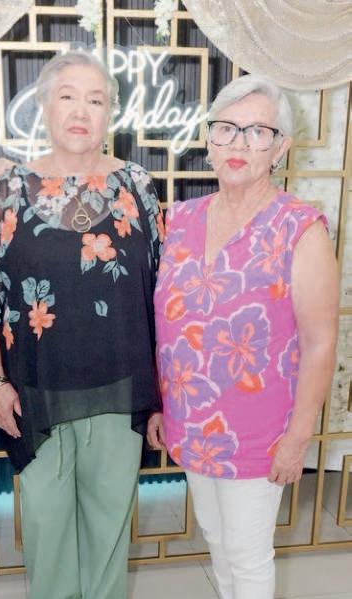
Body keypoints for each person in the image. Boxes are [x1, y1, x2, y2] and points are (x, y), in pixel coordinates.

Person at [148, 74, 339, 599]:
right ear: (209, 139)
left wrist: (297, 438)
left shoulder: (300, 228)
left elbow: (321, 343)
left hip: (261, 433)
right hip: (191, 418)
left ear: (280, 148)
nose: (239, 143)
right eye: (227, 128)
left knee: (249, 555)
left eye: (258, 132)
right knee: (216, 540)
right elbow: (165, 327)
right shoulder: (179, 220)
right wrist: (159, 404)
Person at [0, 50, 164, 599]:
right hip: (35, 390)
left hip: (119, 388)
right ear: (43, 105)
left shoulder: (136, 184)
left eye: (96, 99)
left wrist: (162, 393)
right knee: (47, 534)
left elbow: (159, 291)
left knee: (109, 536)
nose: (81, 111)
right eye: (67, 96)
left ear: (111, 113)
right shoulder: (10, 188)